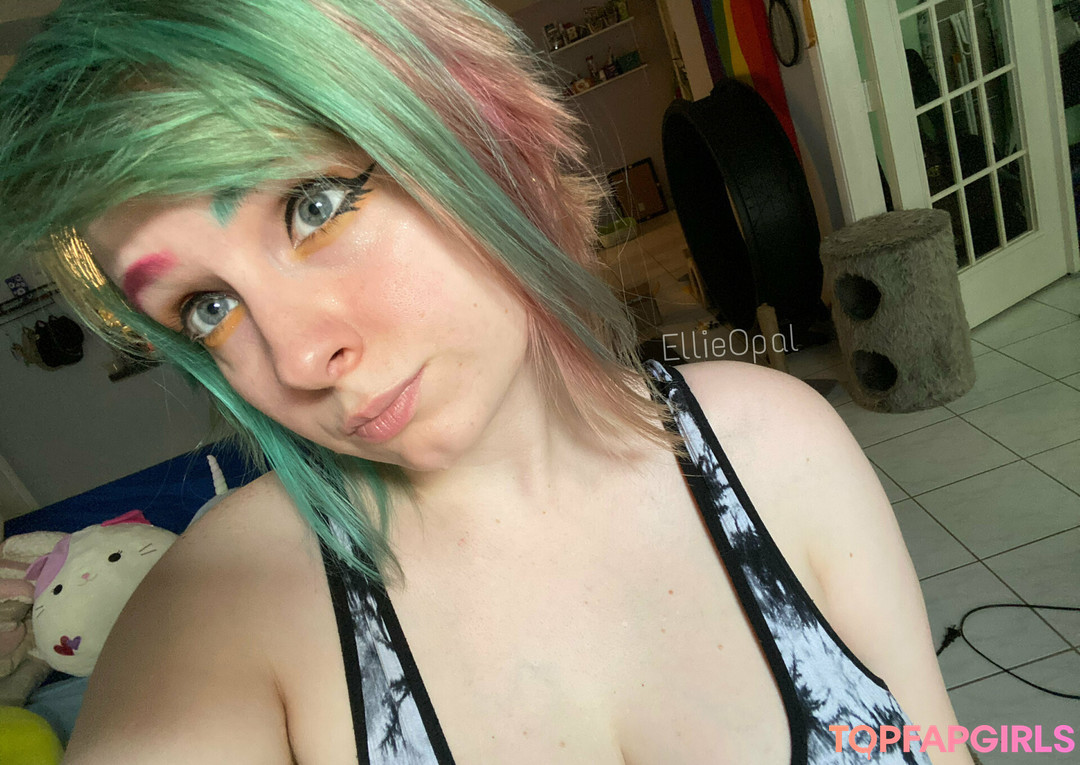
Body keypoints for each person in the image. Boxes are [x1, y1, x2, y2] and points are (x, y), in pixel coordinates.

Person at [0, 1, 974, 763]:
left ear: (483, 131)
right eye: (207, 306)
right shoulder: (220, 609)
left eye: (315, 204)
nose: (295, 361)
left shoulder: (777, 444)